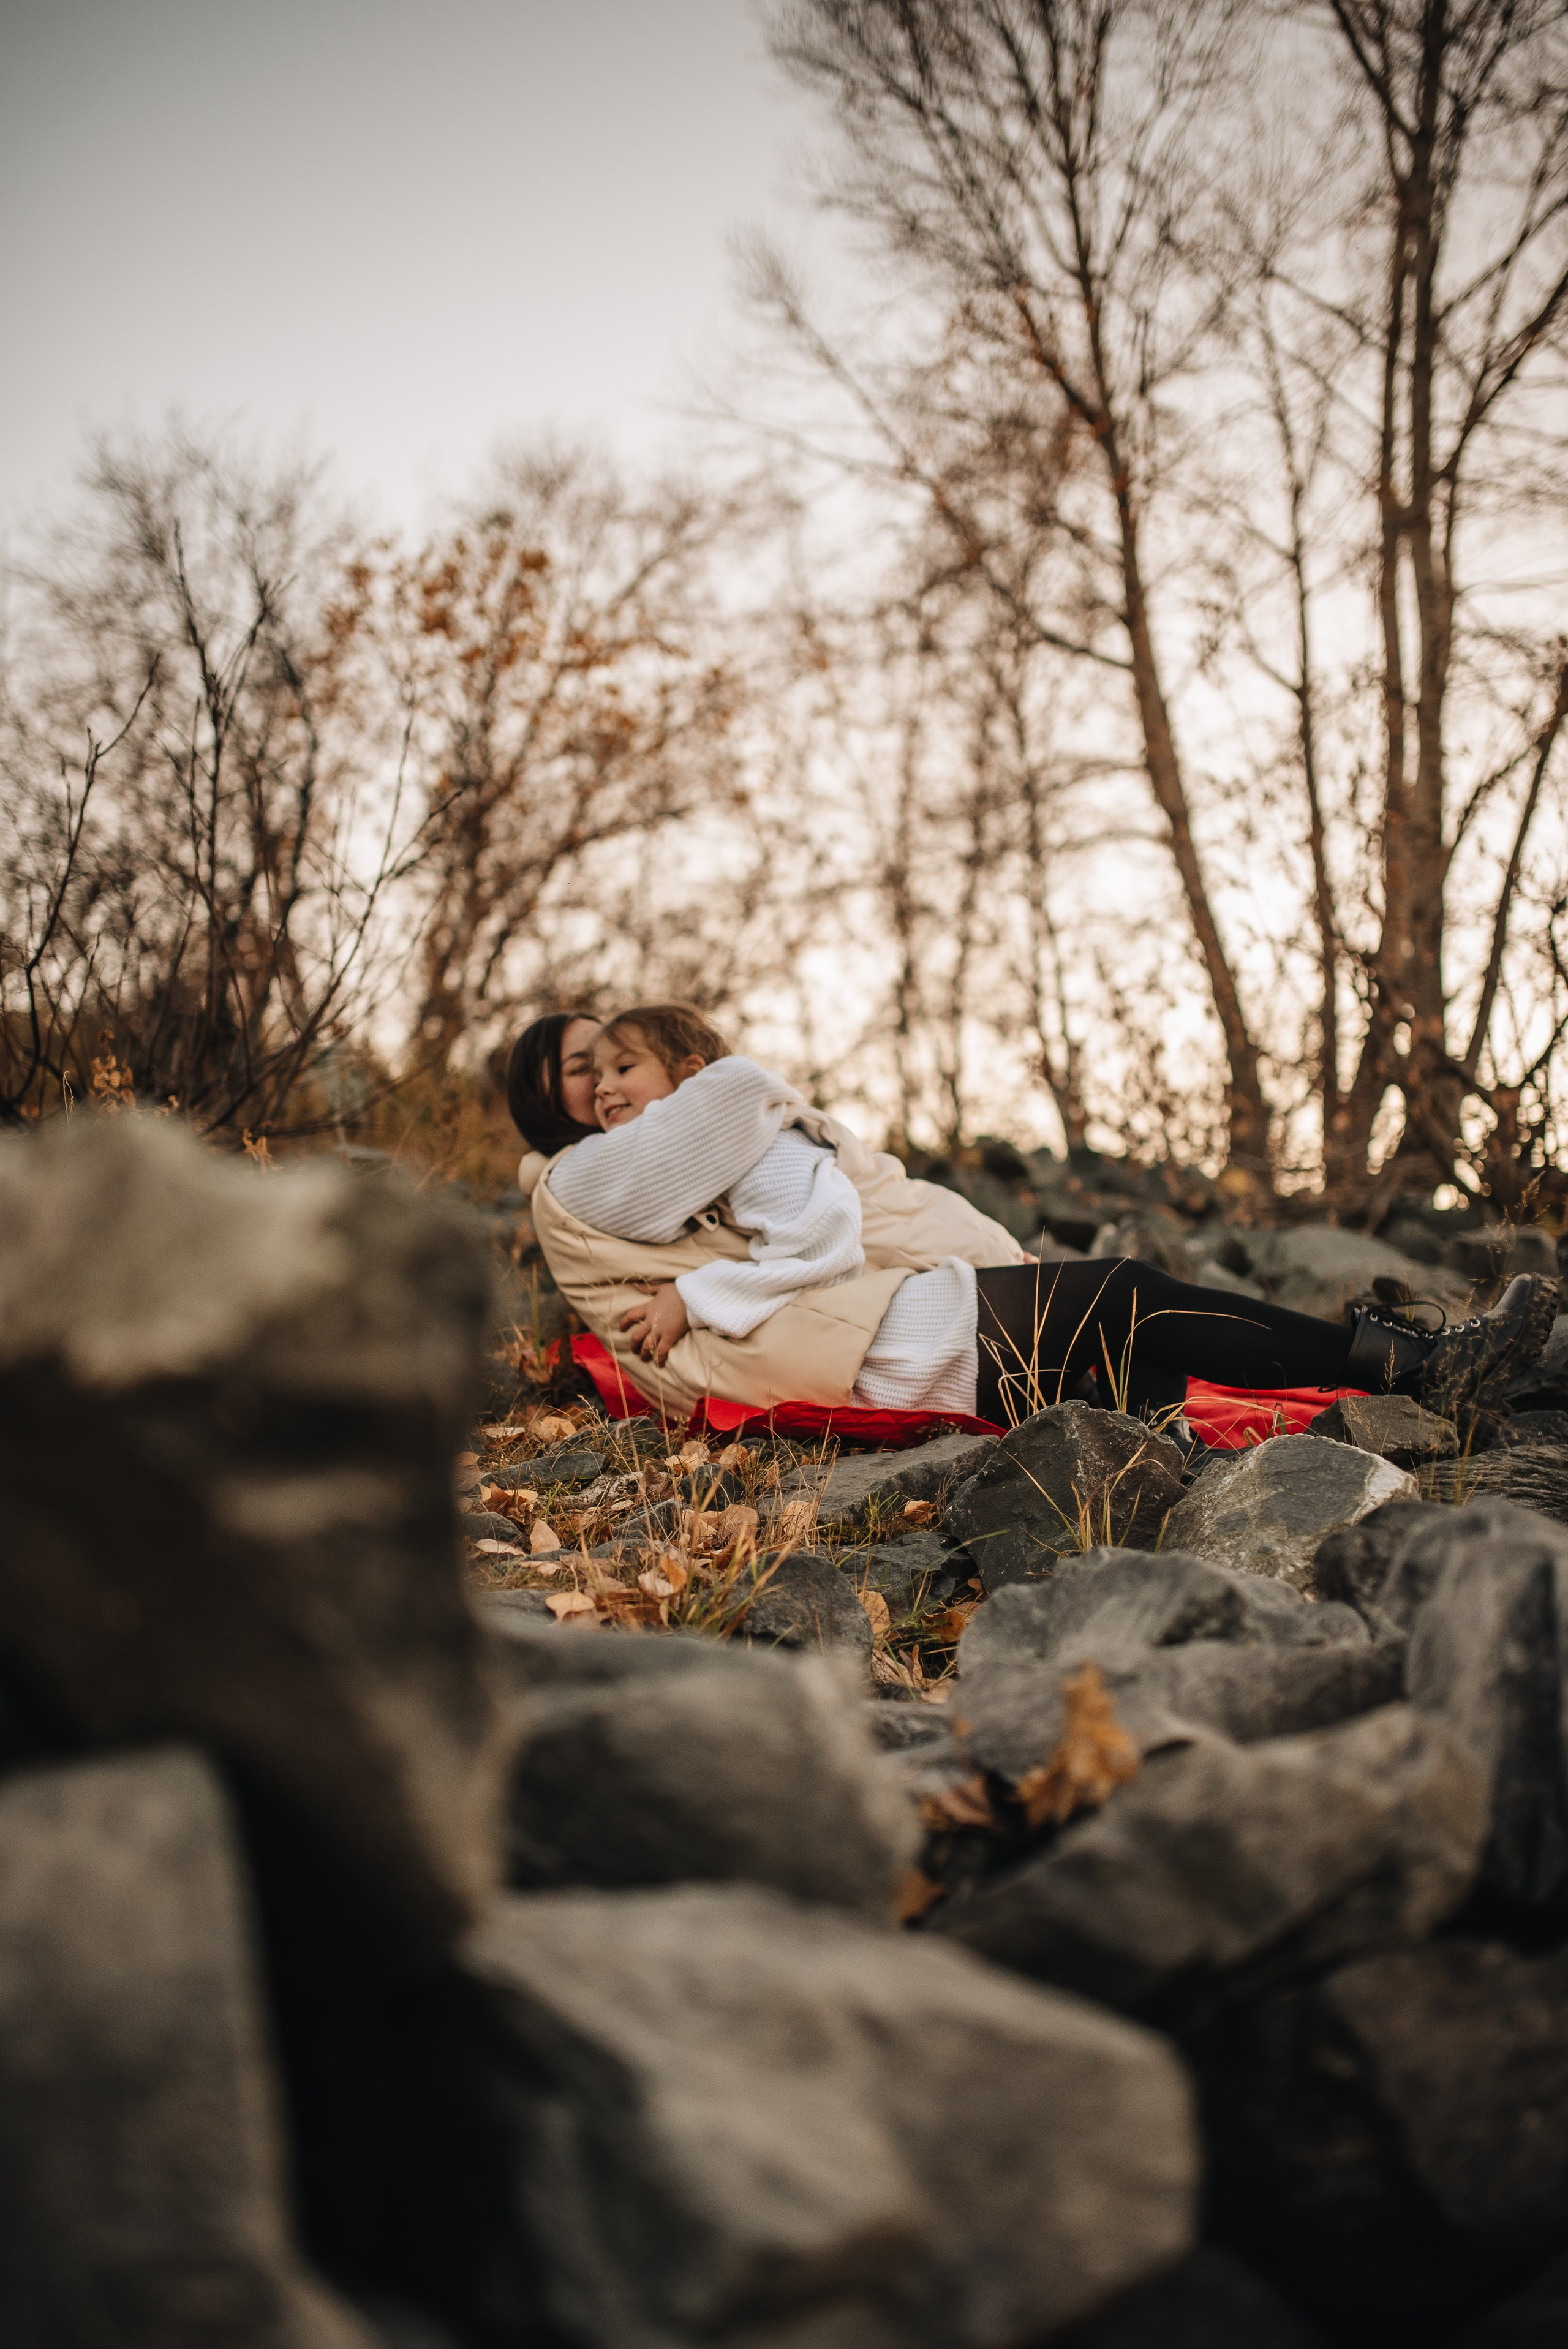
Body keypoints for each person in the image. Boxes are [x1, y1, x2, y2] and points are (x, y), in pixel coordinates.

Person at [508, 1001, 1558, 1427]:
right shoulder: (578, 1178)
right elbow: (743, 1099)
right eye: (585, 1068)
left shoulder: (643, 1168)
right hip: (846, 1341)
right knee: (1126, 1295)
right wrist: (701, 1293)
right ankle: (1411, 1367)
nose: (605, 1084)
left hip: (853, 1331)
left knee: (1133, 1370)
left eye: (620, 1061)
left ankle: (1405, 1390)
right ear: (546, 1099)